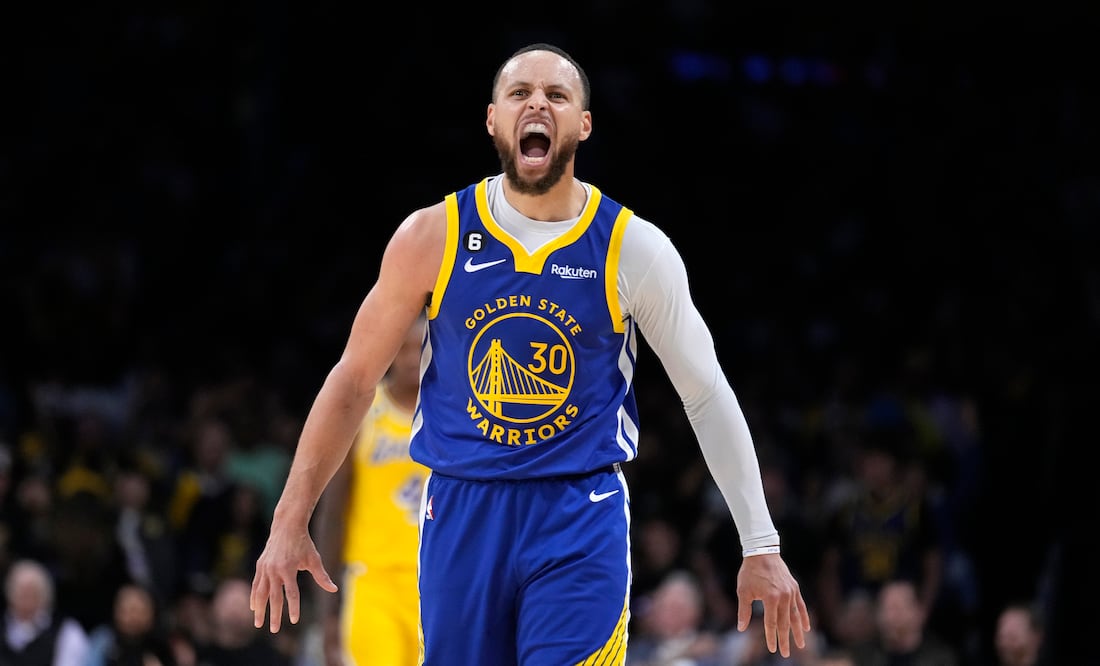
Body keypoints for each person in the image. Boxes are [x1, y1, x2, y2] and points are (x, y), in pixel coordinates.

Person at [250, 42, 811, 663]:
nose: (537, 104)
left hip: (578, 516)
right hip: (461, 510)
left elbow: (706, 394)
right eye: (520, 94)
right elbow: (355, 379)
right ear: (493, 118)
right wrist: (288, 518)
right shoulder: (431, 235)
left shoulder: (634, 248)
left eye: (557, 95)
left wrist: (760, 541)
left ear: (584, 124)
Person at [312, 315, 427, 666]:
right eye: (402, 348)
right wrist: (326, 614)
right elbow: (332, 514)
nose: (411, 358)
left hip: (438, 582)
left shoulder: (454, 414)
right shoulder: (364, 412)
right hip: (372, 581)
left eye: (421, 349)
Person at [0, 558, 90, 666]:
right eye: (21, 593)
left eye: (32, 593)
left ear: (45, 596)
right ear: (9, 594)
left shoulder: (67, 631)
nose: (26, 600)